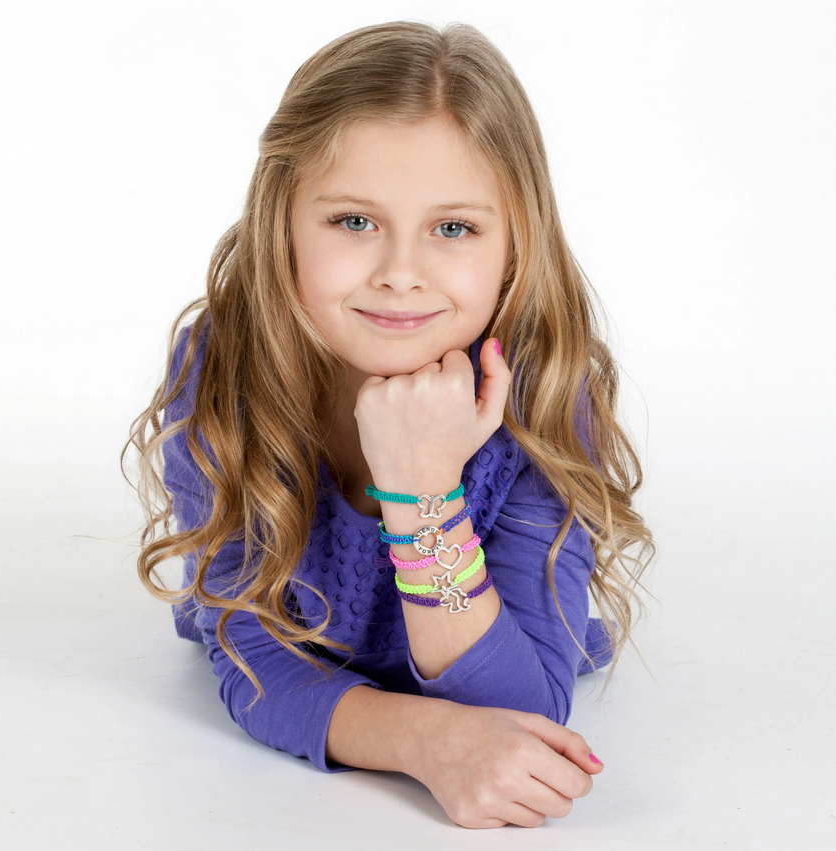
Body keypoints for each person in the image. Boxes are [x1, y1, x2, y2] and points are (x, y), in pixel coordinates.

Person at [123, 20, 654, 829]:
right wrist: (422, 739)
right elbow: (256, 661)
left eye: (453, 228)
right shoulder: (223, 370)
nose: (401, 273)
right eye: (353, 221)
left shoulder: (546, 392)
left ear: (514, 247)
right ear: (281, 223)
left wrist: (420, 488)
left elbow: (523, 706)